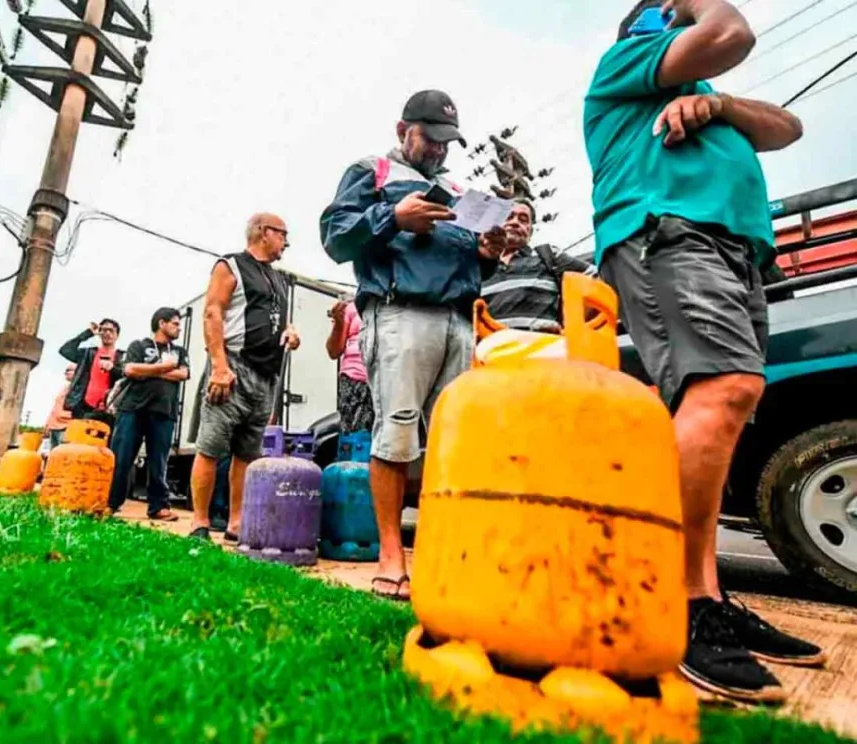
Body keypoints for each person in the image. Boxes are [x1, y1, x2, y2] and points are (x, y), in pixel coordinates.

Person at [584, 0, 819, 703]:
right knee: (722, 390)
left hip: (733, 248)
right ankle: (675, 599)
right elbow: (730, 32)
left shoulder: (704, 95)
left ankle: (705, 594)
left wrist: (718, 108)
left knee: (719, 408)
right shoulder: (625, 64)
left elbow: (788, 127)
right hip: (665, 231)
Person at [320, 90, 505, 600]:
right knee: (397, 434)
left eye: (448, 142)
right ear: (403, 130)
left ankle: (441, 552)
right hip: (400, 312)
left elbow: (470, 260)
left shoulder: (457, 190)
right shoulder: (372, 171)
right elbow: (335, 236)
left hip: (458, 319)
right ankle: (390, 557)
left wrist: (488, 252)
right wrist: (393, 219)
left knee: (453, 442)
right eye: (431, 138)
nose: (440, 149)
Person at [188, 213, 301, 542]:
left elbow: (278, 320)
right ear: (264, 232)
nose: (286, 243)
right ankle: (199, 523)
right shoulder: (231, 265)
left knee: (248, 454)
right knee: (210, 447)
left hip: (266, 376)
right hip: (233, 368)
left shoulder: (278, 278)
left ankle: (236, 524)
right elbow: (213, 312)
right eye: (283, 235)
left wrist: (290, 332)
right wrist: (219, 367)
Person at [107, 308, 189, 521]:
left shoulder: (179, 351)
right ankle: (110, 503)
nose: (179, 328)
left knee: (159, 461)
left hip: (164, 412)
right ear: (161, 323)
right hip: (132, 409)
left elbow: (183, 373)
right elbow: (130, 370)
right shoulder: (138, 345)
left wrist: (148, 371)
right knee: (121, 457)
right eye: (175, 323)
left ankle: (158, 506)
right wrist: (165, 367)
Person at [481, 202, 597, 333]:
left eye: (523, 220)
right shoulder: (478, 268)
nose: (514, 222)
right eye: (509, 217)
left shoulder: (548, 255)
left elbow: (598, 280)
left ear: (530, 232)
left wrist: (572, 323)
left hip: (542, 343)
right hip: (490, 344)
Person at [58, 319, 125, 425]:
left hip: (110, 409)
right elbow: (65, 350)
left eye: (111, 330)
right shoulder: (87, 353)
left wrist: (113, 369)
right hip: (84, 407)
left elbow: (126, 377)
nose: (107, 333)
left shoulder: (123, 357)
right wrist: (88, 333)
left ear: (117, 335)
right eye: (104, 330)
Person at [326, 299, 374, 434]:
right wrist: (339, 321)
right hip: (354, 379)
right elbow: (333, 351)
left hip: (386, 379)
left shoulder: (395, 303)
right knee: (353, 435)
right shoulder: (352, 307)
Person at [43, 365, 76, 451]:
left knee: (62, 454)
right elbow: (55, 407)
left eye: (69, 370)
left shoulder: (78, 389)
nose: (65, 373)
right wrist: (48, 424)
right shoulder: (65, 388)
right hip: (54, 426)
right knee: (53, 454)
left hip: (66, 427)